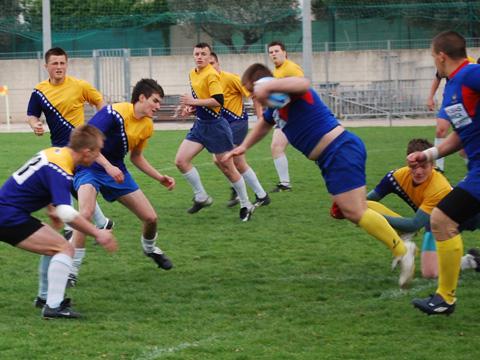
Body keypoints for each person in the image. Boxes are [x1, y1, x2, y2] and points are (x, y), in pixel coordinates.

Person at [225, 63, 417, 288]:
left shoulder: (291, 93)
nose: (251, 97)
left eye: (251, 91)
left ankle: (403, 251)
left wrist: (267, 86)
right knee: (351, 208)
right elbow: (263, 126)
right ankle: (404, 228)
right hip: (330, 157)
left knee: (354, 211)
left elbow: (303, 82)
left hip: (340, 149)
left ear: (264, 84)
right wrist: (243, 147)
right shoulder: (275, 108)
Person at [0, 125, 117, 319]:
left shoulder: (56, 154)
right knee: (65, 249)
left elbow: (38, 182)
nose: (99, 156)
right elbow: (67, 212)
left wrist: (50, 209)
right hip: (8, 216)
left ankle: (45, 298)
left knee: (54, 244)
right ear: (87, 152)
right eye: (98, 151)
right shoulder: (61, 168)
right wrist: (98, 233)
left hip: (9, 212)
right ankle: (53, 307)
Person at [26, 47, 114, 299]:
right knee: (75, 188)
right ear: (47, 66)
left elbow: (100, 102)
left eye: (62, 63)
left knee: (80, 187)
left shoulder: (79, 85)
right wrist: (36, 125)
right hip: (59, 150)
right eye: (54, 63)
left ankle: (89, 225)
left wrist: (98, 123)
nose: (59, 67)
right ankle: (100, 223)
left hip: (81, 149)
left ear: (67, 64)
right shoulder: (40, 91)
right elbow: (31, 114)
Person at [70, 78, 175, 284]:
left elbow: (136, 157)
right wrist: (108, 166)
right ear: (142, 98)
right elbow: (86, 140)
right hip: (89, 168)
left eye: (159, 102)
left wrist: (160, 177)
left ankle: (150, 249)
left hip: (117, 172)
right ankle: (71, 270)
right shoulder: (113, 113)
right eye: (155, 101)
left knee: (151, 218)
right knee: (85, 214)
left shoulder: (147, 126)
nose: (158, 106)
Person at [408, 31, 480, 316]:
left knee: (442, 219)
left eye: (432, 57)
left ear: (441, 56)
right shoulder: (453, 85)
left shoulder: (471, 73)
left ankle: (445, 298)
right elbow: (461, 135)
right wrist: (428, 155)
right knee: (443, 220)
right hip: (475, 169)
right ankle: (445, 298)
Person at [175, 43, 254, 221]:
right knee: (181, 161)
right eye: (197, 53)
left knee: (227, 167)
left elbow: (218, 101)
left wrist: (193, 103)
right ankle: (201, 196)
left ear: (210, 56)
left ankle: (245, 204)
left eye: (203, 54)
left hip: (216, 127)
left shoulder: (211, 74)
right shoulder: (192, 73)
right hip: (200, 125)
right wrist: (191, 108)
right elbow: (200, 100)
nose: (200, 57)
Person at [361, 139, 451, 278]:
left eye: (424, 166)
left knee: (431, 272)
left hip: (461, 219)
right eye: (414, 167)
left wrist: (374, 219)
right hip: (433, 224)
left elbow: (414, 225)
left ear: (433, 164)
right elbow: (366, 201)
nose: (418, 172)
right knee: (430, 272)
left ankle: (465, 262)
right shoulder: (396, 177)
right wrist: (347, 207)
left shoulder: (439, 187)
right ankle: (472, 260)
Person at [209, 52, 270, 208]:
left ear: (218, 64)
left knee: (221, 159)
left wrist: (260, 116)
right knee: (238, 162)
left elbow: (253, 94)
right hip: (222, 126)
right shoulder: (207, 82)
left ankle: (238, 191)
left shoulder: (229, 78)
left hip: (237, 123)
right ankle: (261, 195)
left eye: (213, 63)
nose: (210, 67)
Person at [426, 55, 475, 171]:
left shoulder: (471, 65)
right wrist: (430, 97)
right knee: (440, 130)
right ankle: (439, 168)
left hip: (462, 104)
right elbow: (438, 77)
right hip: (450, 101)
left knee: (464, 141)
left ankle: (472, 169)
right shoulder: (446, 62)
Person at [267, 41, 304, 193]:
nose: (274, 54)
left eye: (276, 51)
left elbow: (302, 87)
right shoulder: (277, 70)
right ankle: (285, 184)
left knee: (313, 150)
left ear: (284, 52)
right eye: (271, 52)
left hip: (296, 116)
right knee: (276, 147)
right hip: (283, 116)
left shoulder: (291, 67)